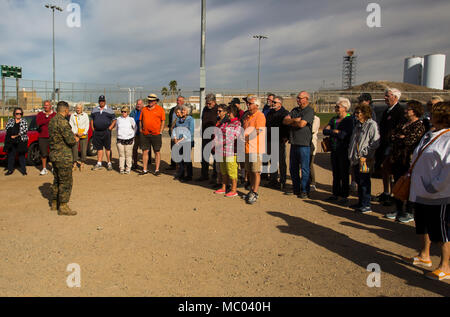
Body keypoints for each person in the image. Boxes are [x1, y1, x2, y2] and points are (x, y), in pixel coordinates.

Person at [403, 102, 449, 281]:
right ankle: (425, 255)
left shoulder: (449, 138)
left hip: (439, 194)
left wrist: (435, 186)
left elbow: (448, 169)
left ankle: (445, 265)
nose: (430, 116)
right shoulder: (430, 134)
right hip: (421, 191)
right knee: (423, 225)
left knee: (442, 230)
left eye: (434, 113)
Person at [385, 101, 426, 223]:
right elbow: (390, 136)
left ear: (415, 111)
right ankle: (398, 209)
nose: (405, 111)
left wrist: (400, 137)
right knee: (398, 182)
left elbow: (410, 141)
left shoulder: (419, 125)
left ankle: (409, 211)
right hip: (397, 158)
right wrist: (400, 136)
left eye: (408, 109)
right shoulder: (403, 123)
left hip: (409, 159)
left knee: (409, 185)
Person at [374, 88, 405, 205]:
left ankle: (393, 194)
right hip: (384, 144)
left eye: (388, 96)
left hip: (392, 146)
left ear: (395, 97)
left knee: (390, 169)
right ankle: (386, 192)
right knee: (384, 169)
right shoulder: (387, 111)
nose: (385, 98)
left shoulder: (399, 111)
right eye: (385, 96)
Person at [348, 103, 380, 214]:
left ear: (365, 113)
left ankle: (366, 204)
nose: (356, 115)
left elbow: (375, 142)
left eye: (358, 113)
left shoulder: (372, 125)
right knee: (359, 180)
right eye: (355, 112)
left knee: (364, 181)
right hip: (356, 158)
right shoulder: (358, 125)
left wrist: (365, 154)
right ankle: (361, 202)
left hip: (365, 159)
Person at [48, 101, 78, 216]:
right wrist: (75, 139)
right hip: (63, 156)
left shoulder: (52, 121)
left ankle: (54, 203)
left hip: (54, 155)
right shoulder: (63, 123)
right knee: (66, 181)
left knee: (56, 180)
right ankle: (63, 206)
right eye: (68, 110)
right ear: (65, 110)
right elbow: (70, 140)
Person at [283, 91, 315, 198]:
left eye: (300, 98)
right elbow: (285, 121)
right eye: (297, 98)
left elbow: (302, 124)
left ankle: (305, 190)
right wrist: (294, 120)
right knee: (293, 168)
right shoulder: (295, 110)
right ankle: (296, 188)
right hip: (294, 143)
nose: (298, 100)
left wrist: (293, 121)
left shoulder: (309, 110)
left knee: (305, 168)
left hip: (304, 144)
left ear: (306, 99)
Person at [323, 97, 354, 204]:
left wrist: (334, 131)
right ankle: (335, 194)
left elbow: (343, 135)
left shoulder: (349, 119)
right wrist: (334, 131)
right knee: (335, 173)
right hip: (334, 149)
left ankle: (345, 196)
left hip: (344, 150)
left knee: (344, 173)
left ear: (345, 108)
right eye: (336, 106)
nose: (336, 108)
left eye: (338, 107)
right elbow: (325, 131)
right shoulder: (334, 119)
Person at [242, 94, 266, 204]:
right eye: (247, 103)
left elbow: (258, 130)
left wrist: (245, 136)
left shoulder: (260, 116)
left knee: (256, 171)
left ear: (256, 104)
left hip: (256, 148)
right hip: (247, 148)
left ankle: (255, 192)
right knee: (250, 171)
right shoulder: (247, 116)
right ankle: (251, 190)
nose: (247, 104)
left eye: (250, 103)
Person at [214, 104, 242, 197]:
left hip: (231, 151)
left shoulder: (237, 123)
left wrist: (220, 142)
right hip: (222, 151)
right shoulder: (226, 122)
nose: (228, 115)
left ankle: (234, 190)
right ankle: (223, 188)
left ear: (233, 113)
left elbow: (234, 136)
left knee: (232, 170)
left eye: (229, 113)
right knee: (224, 170)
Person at [265, 95, 289, 191]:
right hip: (270, 139)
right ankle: (273, 180)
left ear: (280, 104)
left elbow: (287, 126)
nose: (273, 103)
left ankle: (282, 181)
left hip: (279, 139)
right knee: (272, 160)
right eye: (273, 102)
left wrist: (286, 137)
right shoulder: (270, 112)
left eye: (275, 102)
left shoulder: (285, 113)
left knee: (281, 161)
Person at [139, 93, 165, 176]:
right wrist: (140, 129)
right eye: (149, 100)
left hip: (156, 134)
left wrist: (160, 131)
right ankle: (145, 169)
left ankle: (157, 169)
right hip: (145, 134)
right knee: (145, 151)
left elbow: (163, 121)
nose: (150, 102)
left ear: (155, 101)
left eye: (151, 100)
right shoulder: (144, 109)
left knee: (157, 151)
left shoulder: (160, 109)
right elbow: (140, 120)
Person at [90, 95, 116, 171]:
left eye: (103, 101)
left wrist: (110, 128)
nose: (101, 102)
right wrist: (92, 128)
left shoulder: (110, 110)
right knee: (99, 148)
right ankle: (99, 163)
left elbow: (114, 120)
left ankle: (109, 163)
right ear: (99, 101)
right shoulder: (94, 109)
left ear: (105, 101)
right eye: (100, 101)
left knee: (107, 148)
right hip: (97, 132)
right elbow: (91, 119)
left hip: (106, 132)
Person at [197, 93, 219, 181]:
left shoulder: (218, 109)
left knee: (215, 157)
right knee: (204, 156)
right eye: (207, 103)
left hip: (214, 136)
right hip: (205, 135)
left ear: (214, 102)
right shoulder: (205, 109)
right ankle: (204, 175)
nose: (208, 105)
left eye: (209, 103)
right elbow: (202, 120)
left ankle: (215, 175)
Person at [172, 104, 195, 181]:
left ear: (188, 111)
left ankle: (189, 175)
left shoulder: (191, 120)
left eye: (184, 110)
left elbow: (190, 132)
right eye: (182, 110)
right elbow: (175, 129)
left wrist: (180, 140)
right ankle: (181, 174)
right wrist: (175, 138)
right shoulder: (179, 119)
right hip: (179, 141)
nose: (182, 111)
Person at [4, 107, 28, 176]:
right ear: (14, 114)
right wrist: (11, 136)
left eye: (20, 113)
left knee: (21, 156)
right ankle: (10, 170)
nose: (19, 115)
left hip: (21, 140)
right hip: (11, 141)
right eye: (17, 113)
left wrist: (16, 135)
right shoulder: (10, 120)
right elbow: (7, 129)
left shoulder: (24, 121)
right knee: (11, 155)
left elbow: (25, 130)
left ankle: (23, 171)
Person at [36, 100, 56, 175]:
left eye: (47, 105)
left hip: (52, 136)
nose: (45, 106)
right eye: (44, 105)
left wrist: (46, 119)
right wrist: (47, 119)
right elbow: (39, 122)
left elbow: (55, 123)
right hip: (42, 136)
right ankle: (44, 168)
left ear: (50, 106)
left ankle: (53, 168)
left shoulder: (54, 114)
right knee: (43, 153)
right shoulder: (40, 114)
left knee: (53, 153)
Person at [116, 106, 137, 174]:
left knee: (128, 155)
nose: (123, 113)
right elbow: (117, 128)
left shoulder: (131, 119)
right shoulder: (118, 119)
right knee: (121, 155)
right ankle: (121, 168)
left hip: (129, 140)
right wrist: (118, 135)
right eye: (122, 111)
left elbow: (135, 128)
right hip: (120, 140)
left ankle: (128, 168)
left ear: (127, 112)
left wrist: (132, 135)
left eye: (125, 112)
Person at [69, 104, 89, 171]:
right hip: (75, 135)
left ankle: (82, 163)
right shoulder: (72, 115)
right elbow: (70, 125)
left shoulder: (85, 115)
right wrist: (75, 133)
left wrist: (83, 133)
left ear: (82, 109)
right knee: (74, 149)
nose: (78, 109)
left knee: (83, 149)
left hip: (83, 135)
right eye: (77, 108)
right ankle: (74, 163)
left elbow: (87, 125)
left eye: (79, 108)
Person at [167, 96, 185, 170]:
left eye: (180, 100)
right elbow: (170, 120)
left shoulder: (185, 110)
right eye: (177, 100)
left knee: (181, 150)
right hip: (173, 133)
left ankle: (182, 166)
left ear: (183, 102)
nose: (178, 102)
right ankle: (173, 164)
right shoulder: (172, 110)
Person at [130, 99, 144, 170]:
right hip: (134, 134)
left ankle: (145, 166)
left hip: (143, 134)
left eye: (140, 104)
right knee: (134, 149)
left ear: (142, 104)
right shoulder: (133, 112)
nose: (138, 105)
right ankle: (135, 164)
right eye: (137, 104)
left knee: (144, 150)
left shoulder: (145, 111)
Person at [309, 115, 320, 192]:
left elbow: (312, 130)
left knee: (309, 164)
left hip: (311, 142)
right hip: (302, 142)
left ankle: (313, 183)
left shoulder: (316, 118)